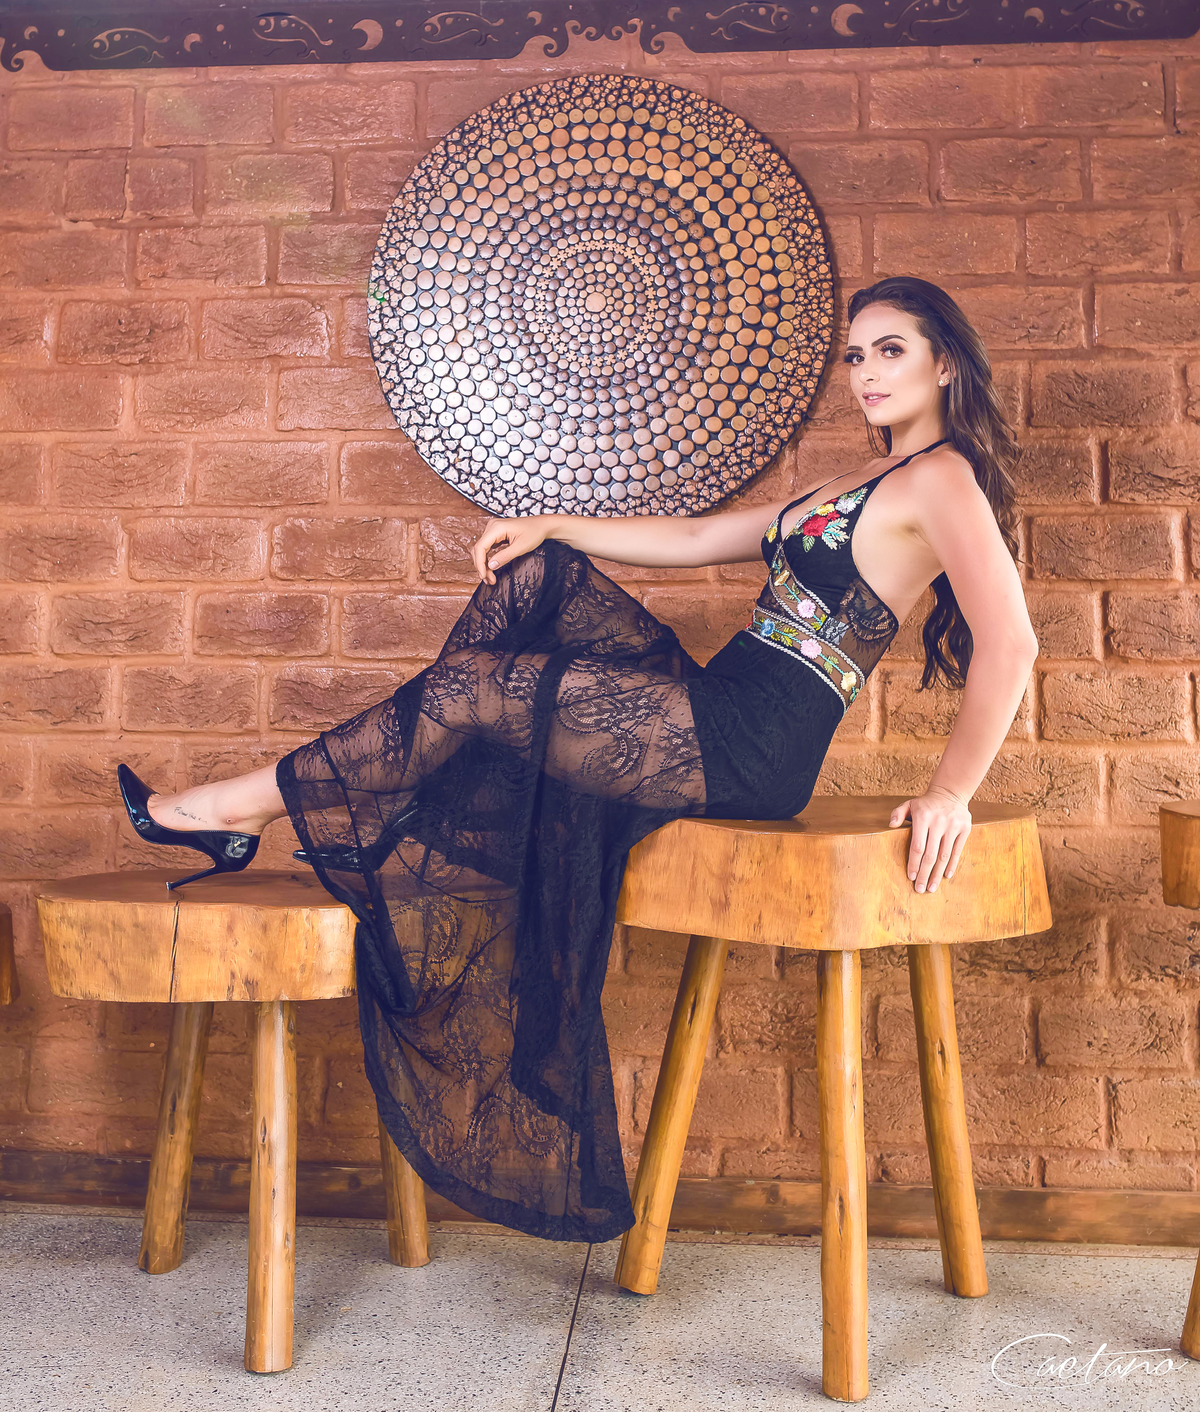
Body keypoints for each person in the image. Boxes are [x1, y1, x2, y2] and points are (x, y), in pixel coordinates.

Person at [118, 275, 1037, 1243]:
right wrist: (554, 521)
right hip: (715, 707)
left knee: (477, 691)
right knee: (534, 586)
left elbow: (1011, 642)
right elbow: (697, 537)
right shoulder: (854, 483)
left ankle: (243, 809)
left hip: (751, 743)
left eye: (891, 350)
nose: (866, 373)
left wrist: (950, 792)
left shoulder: (943, 479)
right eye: (855, 355)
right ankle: (346, 814)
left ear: (944, 363)